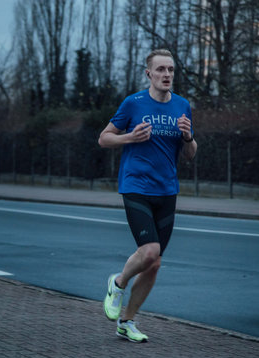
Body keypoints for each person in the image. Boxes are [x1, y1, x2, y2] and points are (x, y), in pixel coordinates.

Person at [98, 49, 197, 342]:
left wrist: (189, 137)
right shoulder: (134, 103)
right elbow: (104, 138)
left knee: (154, 263)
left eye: (171, 70)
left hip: (167, 190)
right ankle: (118, 283)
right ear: (149, 74)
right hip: (136, 185)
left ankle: (126, 321)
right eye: (161, 70)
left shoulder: (182, 105)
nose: (167, 75)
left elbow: (191, 154)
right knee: (150, 250)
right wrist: (129, 137)